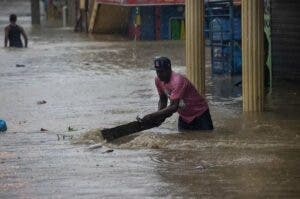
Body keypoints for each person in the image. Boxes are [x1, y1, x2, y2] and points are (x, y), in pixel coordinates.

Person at [141, 56, 213, 131]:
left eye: (162, 71)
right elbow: (163, 99)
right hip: (184, 116)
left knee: (207, 137)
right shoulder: (158, 80)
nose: (159, 74)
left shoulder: (178, 81)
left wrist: (152, 116)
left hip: (200, 114)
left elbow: (173, 107)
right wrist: (159, 117)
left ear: (169, 69)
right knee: (182, 141)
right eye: (157, 71)